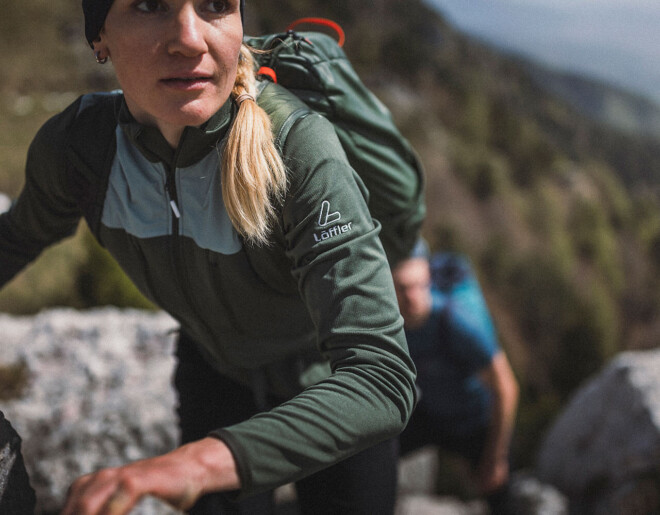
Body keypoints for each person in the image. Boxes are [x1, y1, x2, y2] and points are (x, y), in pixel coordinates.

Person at [0, 1, 417, 513]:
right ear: (98, 37)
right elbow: (17, 237)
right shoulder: (82, 150)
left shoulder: (297, 149)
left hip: (329, 386)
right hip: (217, 378)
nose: (190, 39)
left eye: (217, 5)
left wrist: (195, 465)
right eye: (149, 5)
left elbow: (380, 377)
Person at [392, 242, 519, 513]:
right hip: (432, 414)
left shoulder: (455, 321)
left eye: (419, 286)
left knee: (499, 493)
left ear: (428, 279)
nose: (412, 297)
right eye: (402, 288)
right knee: (376, 453)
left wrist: (496, 458)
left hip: (474, 420)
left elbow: (506, 386)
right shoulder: (390, 324)